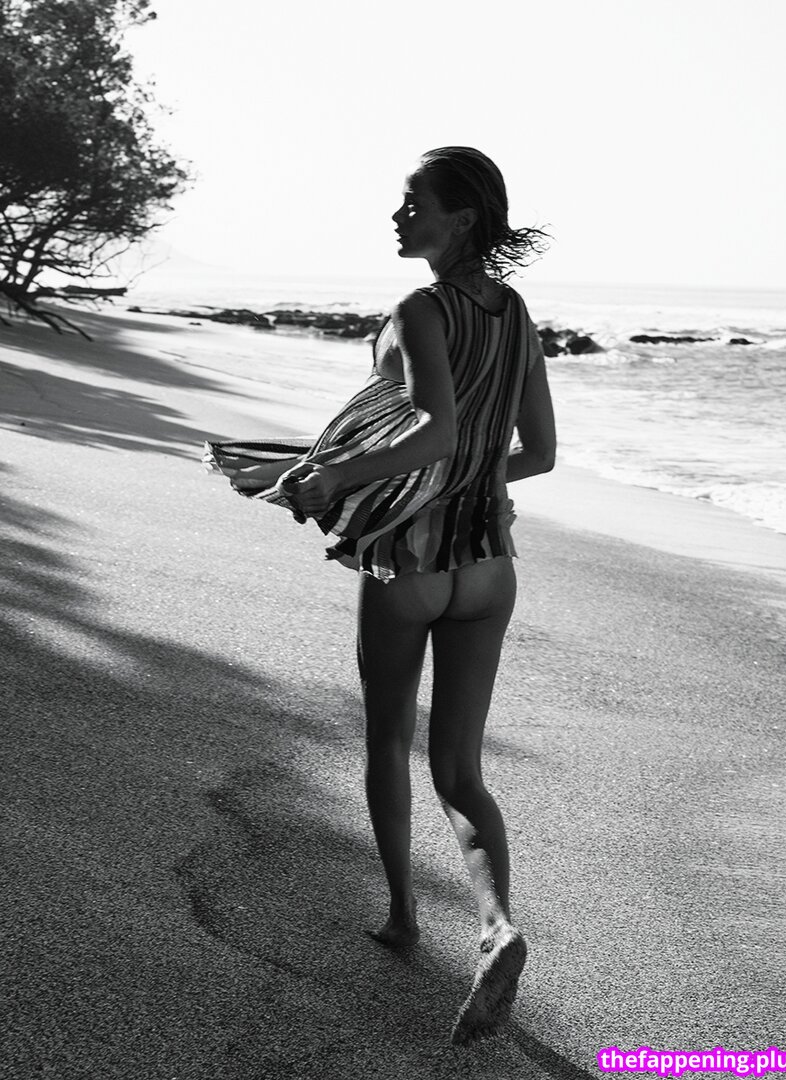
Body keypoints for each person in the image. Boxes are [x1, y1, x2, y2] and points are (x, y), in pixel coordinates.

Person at [216, 146, 556, 1045]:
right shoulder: (518, 314)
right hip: (489, 567)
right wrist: (476, 485)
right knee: (461, 772)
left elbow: (435, 433)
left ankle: (405, 916)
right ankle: (496, 926)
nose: (399, 217)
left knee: (389, 740)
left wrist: (334, 481)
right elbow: (539, 453)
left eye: (414, 204)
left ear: (463, 217)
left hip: (412, 563)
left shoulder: (420, 309)